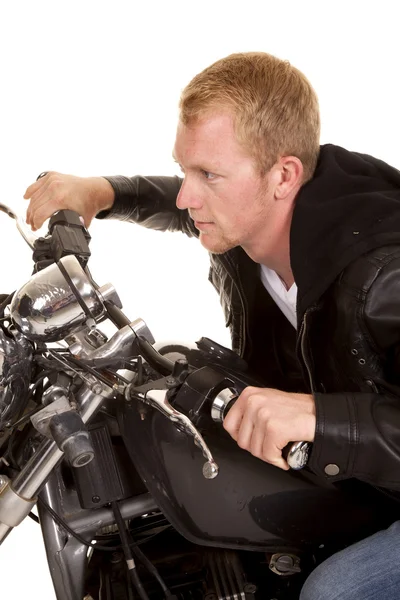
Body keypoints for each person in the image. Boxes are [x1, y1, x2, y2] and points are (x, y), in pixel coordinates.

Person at [24, 52, 400, 599]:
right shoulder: (249, 220)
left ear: (284, 175)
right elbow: (183, 204)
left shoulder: (383, 274)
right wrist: (103, 192)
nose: (186, 196)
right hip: (358, 480)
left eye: (207, 174)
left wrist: (324, 419)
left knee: (333, 591)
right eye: (184, 169)